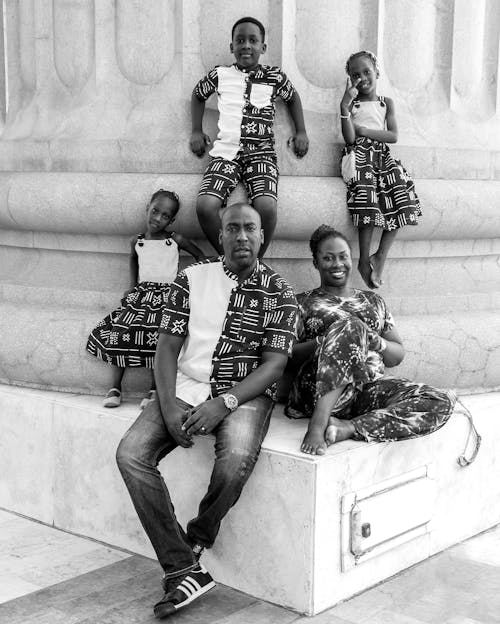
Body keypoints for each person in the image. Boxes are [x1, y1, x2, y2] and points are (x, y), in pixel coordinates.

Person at [116, 203, 298, 618]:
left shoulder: (278, 292)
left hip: (244, 394)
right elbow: (166, 346)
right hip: (185, 386)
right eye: (232, 228)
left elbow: (274, 364)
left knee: (234, 459)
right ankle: (183, 567)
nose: (241, 237)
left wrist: (225, 402)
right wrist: (165, 403)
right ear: (220, 236)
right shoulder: (191, 279)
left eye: (250, 228)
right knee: (130, 454)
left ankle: (195, 539)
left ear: (262, 236)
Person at [286, 225, 455, 456]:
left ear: (351, 258)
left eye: (343, 256)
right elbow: (286, 357)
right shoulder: (301, 303)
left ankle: (348, 428)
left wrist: (374, 340)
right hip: (316, 390)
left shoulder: (374, 301)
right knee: (351, 324)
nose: (337, 264)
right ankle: (318, 425)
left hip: (365, 390)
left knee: (438, 401)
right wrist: (327, 340)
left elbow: (397, 356)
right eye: (328, 258)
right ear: (316, 263)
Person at [191, 16, 309, 257]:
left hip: (261, 154)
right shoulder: (220, 75)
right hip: (226, 153)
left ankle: (255, 263)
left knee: (266, 206)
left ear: (263, 48)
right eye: (240, 40)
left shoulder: (275, 77)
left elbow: (293, 98)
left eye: (253, 41)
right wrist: (196, 130)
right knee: (205, 206)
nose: (246, 45)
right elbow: (198, 95)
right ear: (231, 46)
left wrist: (301, 131)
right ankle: (230, 259)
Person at [86, 189, 204, 409]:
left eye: (165, 215)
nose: (158, 218)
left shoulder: (174, 240)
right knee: (121, 332)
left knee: (158, 337)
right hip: (141, 295)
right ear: (147, 208)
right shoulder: (137, 241)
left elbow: (200, 256)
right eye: (155, 211)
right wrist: (131, 287)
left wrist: (187, 283)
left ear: (172, 220)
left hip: (168, 296)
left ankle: (153, 389)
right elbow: (133, 261)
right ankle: (115, 387)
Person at [340, 50, 422, 288]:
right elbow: (349, 139)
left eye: (367, 71)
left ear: (377, 72)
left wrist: (364, 130)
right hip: (359, 156)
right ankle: (364, 259)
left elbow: (393, 135)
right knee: (367, 199)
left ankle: (380, 255)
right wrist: (344, 106)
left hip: (382, 157)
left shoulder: (387, 103)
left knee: (403, 198)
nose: (362, 77)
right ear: (350, 80)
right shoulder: (352, 104)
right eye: (356, 75)